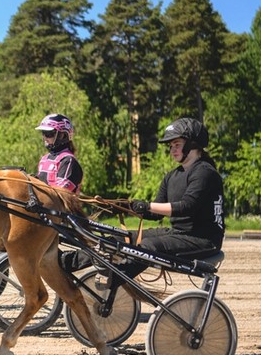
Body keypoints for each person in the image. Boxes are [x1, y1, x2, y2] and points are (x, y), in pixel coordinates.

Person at [61, 117, 226, 279]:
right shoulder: (172, 176)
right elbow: (155, 214)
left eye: (177, 145)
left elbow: (186, 206)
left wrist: (146, 206)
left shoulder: (205, 172)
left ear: (193, 144)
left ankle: (116, 278)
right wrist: (123, 206)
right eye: (170, 146)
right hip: (177, 233)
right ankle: (66, 263)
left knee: (148, 246)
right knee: (118, 238)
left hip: (203, 240)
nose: (172, 150)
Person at [34, 113, 83, 194]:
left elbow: (60, 193)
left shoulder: (68, 161)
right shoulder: (44, 158)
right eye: (43, 133)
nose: (45, 138)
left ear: (62, 136)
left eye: (49, 134)